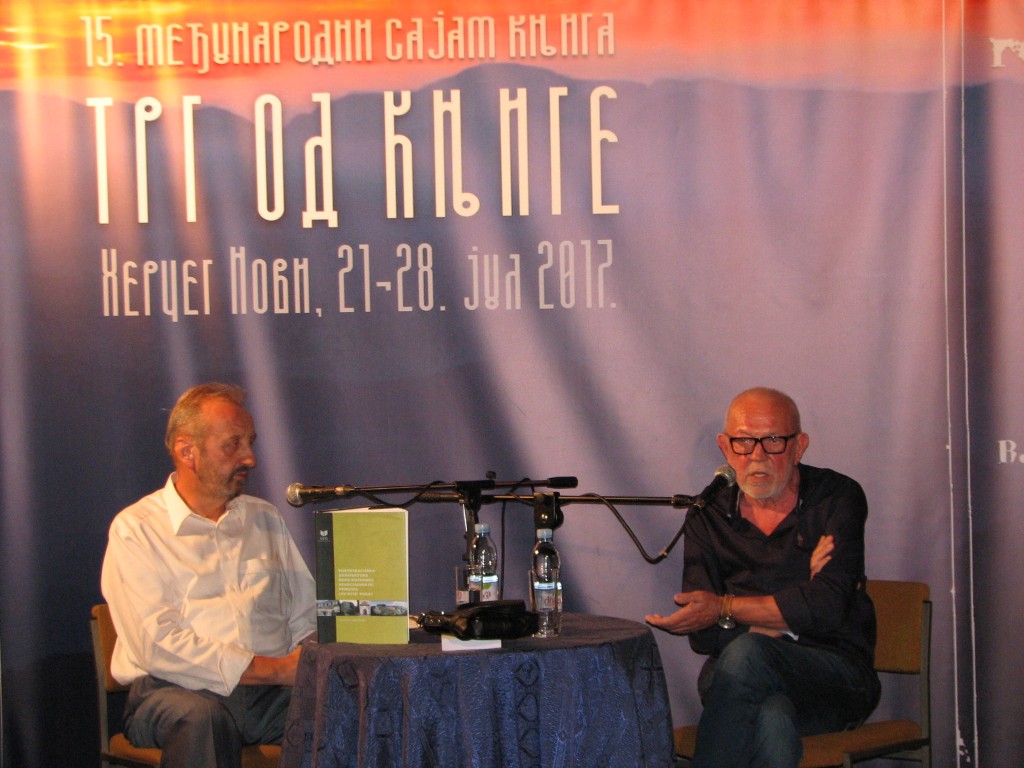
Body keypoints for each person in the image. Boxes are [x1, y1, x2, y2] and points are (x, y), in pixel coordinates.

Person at [646, 387, 880, 768]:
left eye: (773, 440)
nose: (756, 455)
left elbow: (828, 608)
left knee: (748, 653)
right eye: (743, 442)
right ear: (725, 447)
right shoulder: (707, 514)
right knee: (773, 719)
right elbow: (703, 634)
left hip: (832, 673)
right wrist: (795, 602)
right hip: (735, 677)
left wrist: (725, 608)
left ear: (799, 446)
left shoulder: (837, 498)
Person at [101, 383, 317, 768]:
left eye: (250, 442)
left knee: (349, 709)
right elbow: (158, 645)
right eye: (233, 444)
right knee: (203, 720)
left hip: (269, 697)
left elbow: (306, 617)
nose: (250, 458)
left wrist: (314, 661)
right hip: (174, 693)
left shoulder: (264, 519)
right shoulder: (137, 529)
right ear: (188, 451)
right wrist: (272, 670)